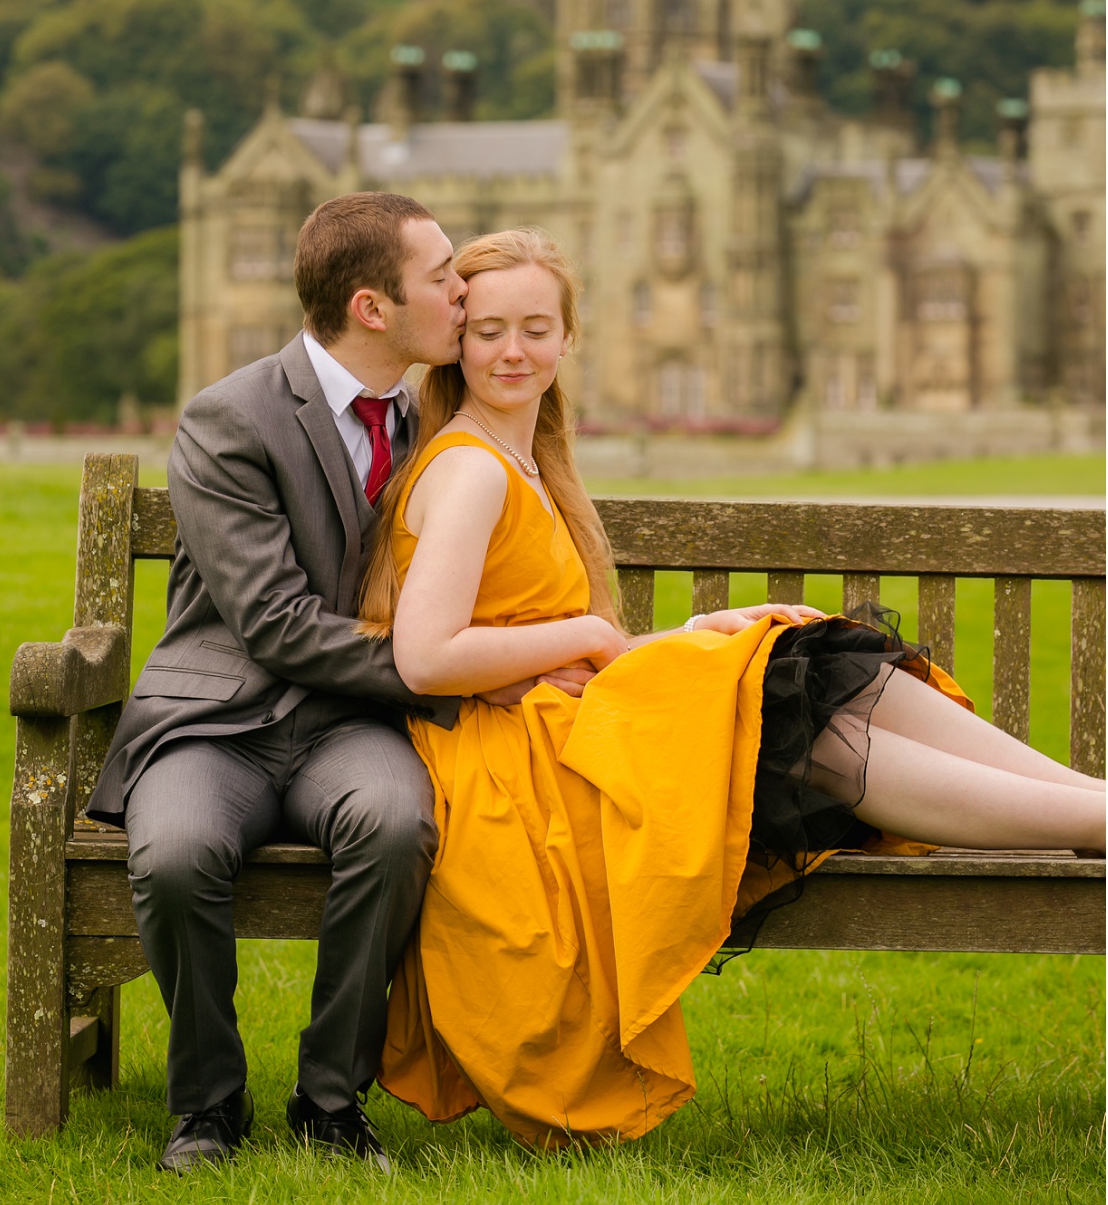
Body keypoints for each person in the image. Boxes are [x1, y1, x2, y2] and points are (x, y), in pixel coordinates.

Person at [359, 227, 1106, 1148]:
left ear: (567, 339)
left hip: (561, 726)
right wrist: (600, 635)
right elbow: (427, 656)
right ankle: (1094, 820)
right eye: (490, 332)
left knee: (811, 664)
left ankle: (1093, 804)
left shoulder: (522, 460)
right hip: (513, 768)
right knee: (793, 729)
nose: (513, 351)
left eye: (537, 329)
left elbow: (526, 639)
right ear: (456, 341)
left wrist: (671, 638)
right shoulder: (472, 469)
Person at [87, 194, 590, 1174]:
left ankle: (330, 1104)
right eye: (442, 276)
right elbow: (272, 623)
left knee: (397, 824)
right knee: (181, 850)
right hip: (216, 719)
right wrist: (455, 681)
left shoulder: (433, 417)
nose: (462, 291)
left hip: (349, 728)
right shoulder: (230, 417)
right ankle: (206, 1106)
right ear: (373, 306)